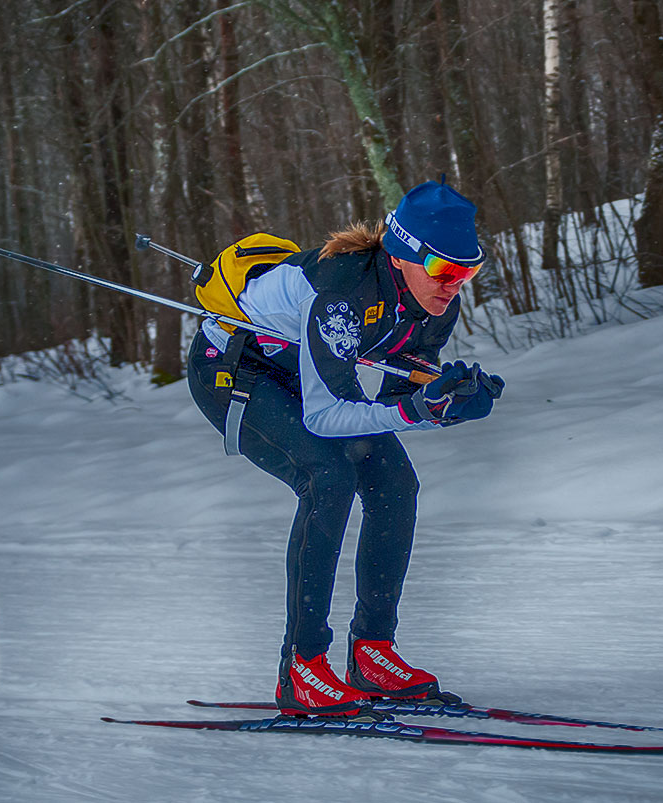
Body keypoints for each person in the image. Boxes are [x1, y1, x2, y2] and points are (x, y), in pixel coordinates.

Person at [187, 180, 504, 717]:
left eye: (468, 272)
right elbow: (326, 415)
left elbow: (402, 400)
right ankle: (302, 668)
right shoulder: (343, 293)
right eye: (446, 271)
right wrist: (419, 410)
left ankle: (372, 651)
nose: (455, 286)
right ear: (404, 255)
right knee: (328, 478)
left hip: (310, 373)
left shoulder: (435, 304)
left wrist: (443, 405)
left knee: (394, 483)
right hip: (237, 370)